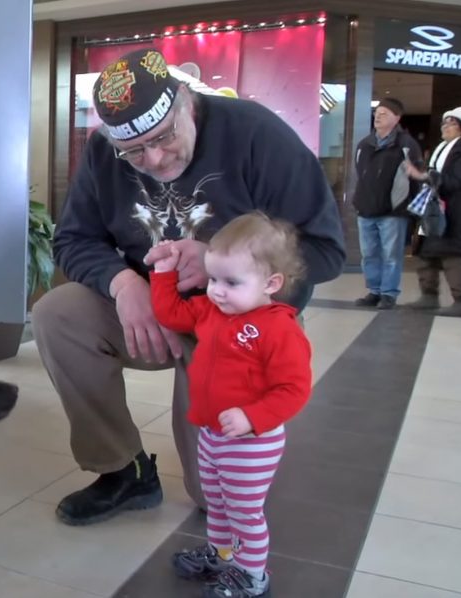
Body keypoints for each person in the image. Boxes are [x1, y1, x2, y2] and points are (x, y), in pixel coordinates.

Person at [31, 47, 344, 525]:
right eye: (133, 151)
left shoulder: (256, 134)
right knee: (58, 315)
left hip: (241, 317)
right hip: (155, 305)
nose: (153, 159)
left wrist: (228, 265)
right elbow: (73, 239)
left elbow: (324, 249)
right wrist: (122, 285)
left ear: (186, 102)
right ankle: (123, 469)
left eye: (163, 137)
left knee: (212, 493)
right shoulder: (102, 152)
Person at [150, 212, 311, 598]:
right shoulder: (211, 312)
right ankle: (223, 556)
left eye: (231, 282)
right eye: (213, 280)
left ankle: (253, 576)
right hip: (212, 433)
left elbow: (295, 388)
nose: (217, 291)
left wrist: (253, 417)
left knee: (244, 513)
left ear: (271, 283)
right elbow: (170, 313)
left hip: (252, 443)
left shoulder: (279, 329)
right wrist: (165, 273)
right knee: (218, 505)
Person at [403, 106, 461, 317]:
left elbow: (458, 180)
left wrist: (423, 177)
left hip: (455, 210)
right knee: (425, 252)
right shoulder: (443, 148)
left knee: (452, 255)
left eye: (452, 123)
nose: (445, 126)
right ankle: (428, 296)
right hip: (431, 209)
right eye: (444, 122)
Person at [351, 98, 423, 310]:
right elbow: (360, 173)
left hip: (393, 211)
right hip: (365, 209)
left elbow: (416, 177)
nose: (378, 115)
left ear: (397, 118)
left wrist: (410, 208)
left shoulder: (407, 145)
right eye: (377, 112)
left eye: (384, 112)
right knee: (369, 254)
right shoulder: (364, 144)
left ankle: (389, 293)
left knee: (391, 255)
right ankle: (374, 291)